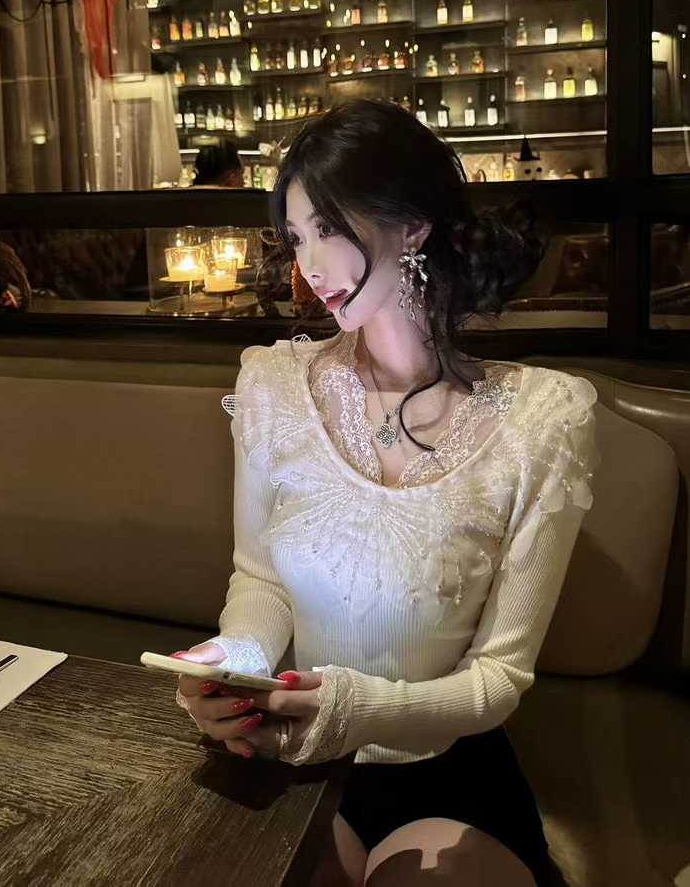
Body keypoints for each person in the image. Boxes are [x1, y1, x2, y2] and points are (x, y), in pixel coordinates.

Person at [170, 98, 601, 886]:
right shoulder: (273, 385)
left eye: (329, 228)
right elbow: (260, 579)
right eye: (296, 237)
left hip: (449, 774)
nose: (310, 264)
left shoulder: (543, 420)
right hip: (292, 760)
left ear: (412, 226)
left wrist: (356, 709)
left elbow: (499, 678)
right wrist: (234, 662)